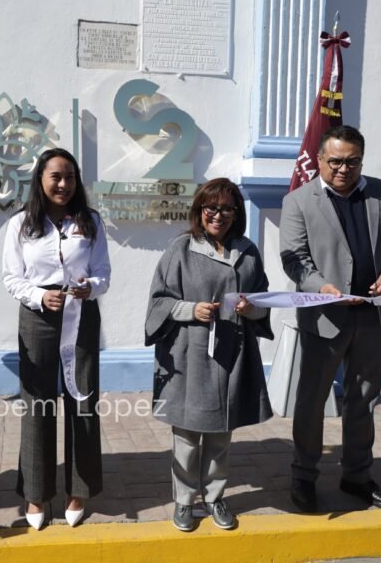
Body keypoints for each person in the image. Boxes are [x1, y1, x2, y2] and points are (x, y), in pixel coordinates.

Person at [279, 125, 381, 513]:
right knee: (312, 401)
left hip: (371, 317)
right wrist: (319, 285)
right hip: (325, 318)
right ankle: (304, 475)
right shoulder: (299, 201)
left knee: (364, 399)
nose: (343, 168)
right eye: (335, 161)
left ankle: (357, 476)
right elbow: (293, 256)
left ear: (361, 160)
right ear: (320, 160)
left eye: (351, 161)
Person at [145, 177, 273, 532]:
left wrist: (252, 309)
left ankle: (215, 496)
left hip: (232, 352)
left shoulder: (247, 252)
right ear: (199, 211)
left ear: (237, 213)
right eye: (211, 208)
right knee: (187, 434)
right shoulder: (181, 250)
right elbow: (159, 301)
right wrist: (191, 310)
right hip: (190, 355)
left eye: (227, 208)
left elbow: (262, 302)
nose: (219, 215)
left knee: (221, 433)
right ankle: (185, 501)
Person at [1, 147, 110, 529]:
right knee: (37, 404)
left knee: (82, 399)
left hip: (81, 315)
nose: (63, 184)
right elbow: (11, 277)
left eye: (69, 177)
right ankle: (36, 494)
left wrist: (90, 287)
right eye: (55, 177)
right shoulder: (21, 224)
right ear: (41, 180)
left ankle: (78, 490)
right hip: (37, 316)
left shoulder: (91, 221)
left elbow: (103, 273)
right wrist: (38, 296)